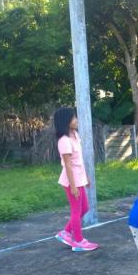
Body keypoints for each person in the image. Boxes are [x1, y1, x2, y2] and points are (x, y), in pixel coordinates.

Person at [53, 107, 99, 252]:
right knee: (76, 210)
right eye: (73, 118)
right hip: (71, 180)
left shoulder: (75, 135)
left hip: (79, 178)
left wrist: (86, 177)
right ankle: (78, 241)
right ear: (65, 121)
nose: (76, 120)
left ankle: (66, 232)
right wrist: (73, 186)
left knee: (85, 208)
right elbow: (68, 165)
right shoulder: (64, 141)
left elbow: (78, 160)